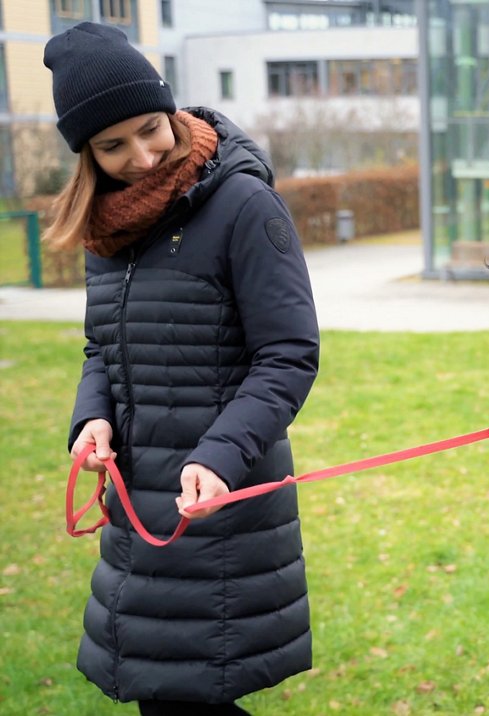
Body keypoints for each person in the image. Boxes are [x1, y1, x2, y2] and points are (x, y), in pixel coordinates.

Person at [43, 22, 320, 716]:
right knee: (163, 697)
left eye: (149, 129)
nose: (141, 156)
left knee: (186, 701)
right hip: (136, 507)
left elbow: (289, 353)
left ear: (169, 110)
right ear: (88, 155)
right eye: (113, 146)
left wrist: (223, 455)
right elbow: (100, 349)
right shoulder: (107, 229)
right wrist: (92, 418)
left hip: (217, 507)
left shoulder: (243, 204)